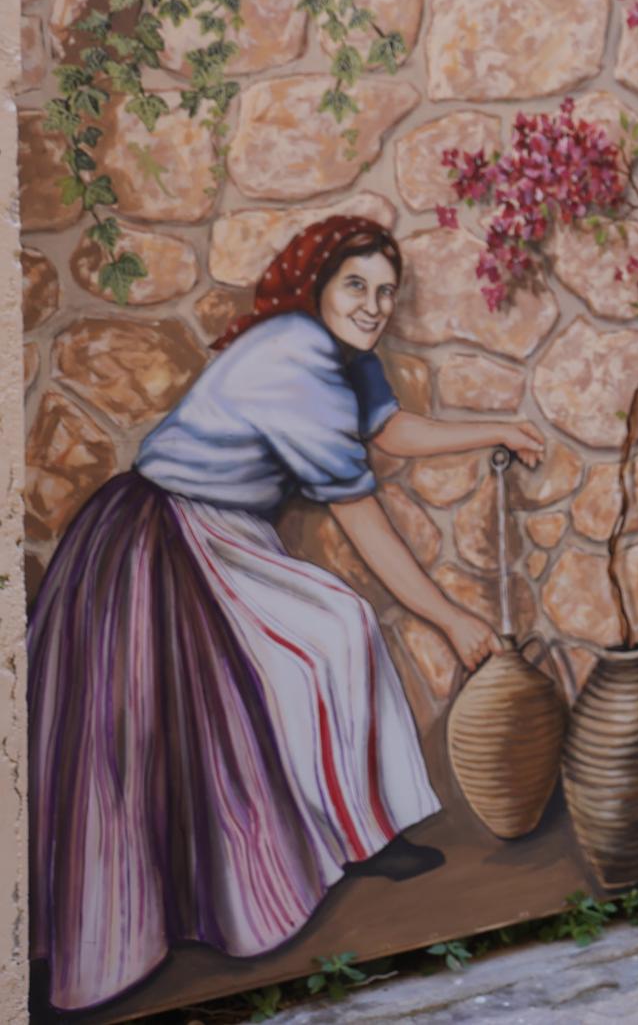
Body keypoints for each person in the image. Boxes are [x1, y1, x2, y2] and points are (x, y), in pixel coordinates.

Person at [28, 216, 543, 1013]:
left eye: (386, 292)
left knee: (337, 630)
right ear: (317, 284)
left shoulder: (344, 355)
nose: (374, 305)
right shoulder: (298, 356)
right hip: (165, 531)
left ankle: (366, 832)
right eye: (356, 285)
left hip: (223, 527)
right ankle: (304, 849)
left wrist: (497, 428)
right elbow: (361, 515)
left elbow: (391, 431)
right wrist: (449, 616)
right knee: (320, 636)